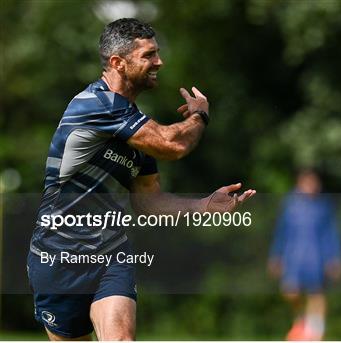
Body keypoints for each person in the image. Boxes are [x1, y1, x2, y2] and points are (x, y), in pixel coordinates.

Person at [27, 18, 255, 340]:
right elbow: (173, 144)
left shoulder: (136, 131)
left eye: (157, 53)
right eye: (148, 55)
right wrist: (199, 114)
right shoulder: (95, 105)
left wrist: (204, 206)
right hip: (58, 254)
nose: (159, 62)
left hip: (111, 255)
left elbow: (148, 201)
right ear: (118, 63)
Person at [268, 170, 341, 341]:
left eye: (314, 182)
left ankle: (316, 331)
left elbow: (331, 233)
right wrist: (276, 255)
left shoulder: (323, 206)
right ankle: (300, 322)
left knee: (316, 292)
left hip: (317, 255)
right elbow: (282, 232)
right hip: (293, 256)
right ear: (300, 184)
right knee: (290, 291)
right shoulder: (291, 204)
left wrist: (334, 258)